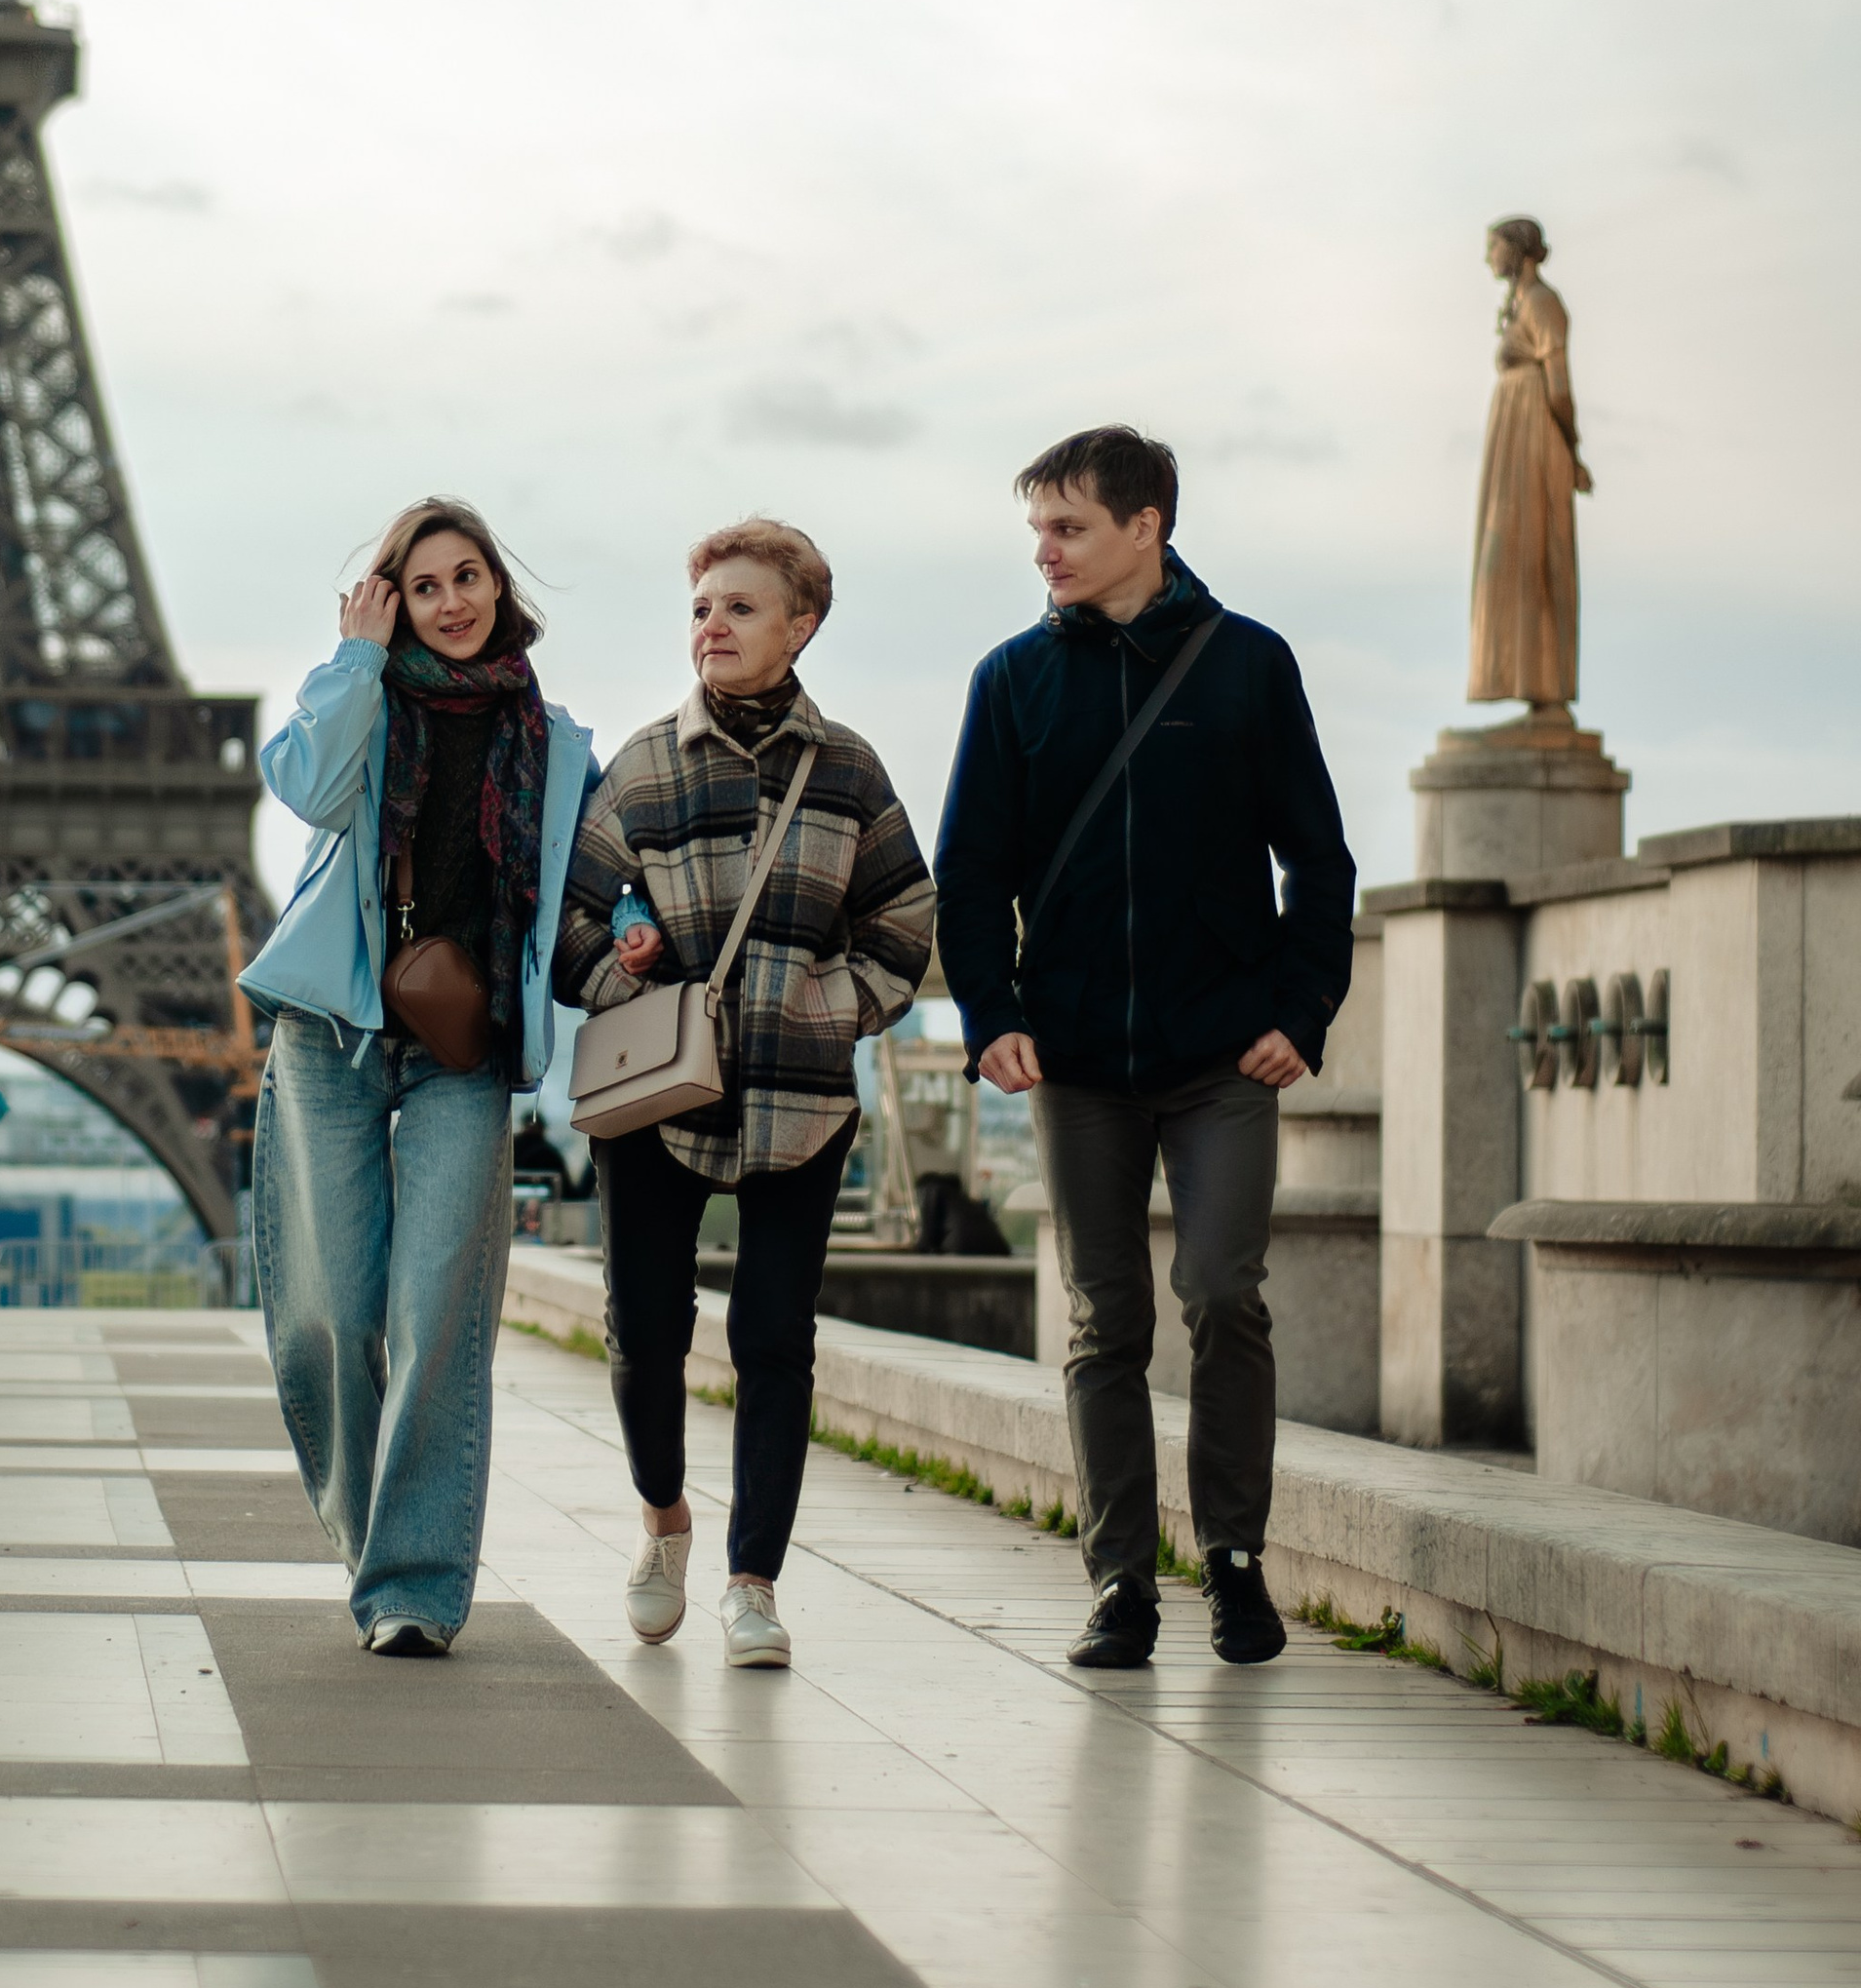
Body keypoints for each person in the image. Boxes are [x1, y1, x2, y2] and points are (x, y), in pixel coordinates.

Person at [932, 427, 1355, 1673]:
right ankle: (1121, 1580)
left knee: (1223, 1296)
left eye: (1067, 527)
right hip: (1074, 1062)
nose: (1045, 553)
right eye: (1037, 532)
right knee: (1103, 1321)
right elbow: (972, 875)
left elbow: (1317, 859)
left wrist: (1303, 1011)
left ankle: (1233, 1562)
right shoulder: (1011, 680)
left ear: (1145, 525)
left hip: (1225, 1052)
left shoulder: (1247, 667)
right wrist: (992, 1014)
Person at [556, 521, 934, 1672]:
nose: (710, 629)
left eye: (739, 608)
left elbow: (905, 925)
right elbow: (567, 929)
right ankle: (664, 1519)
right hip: (659, 1096)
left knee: (776, 1340)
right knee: (645, 1331)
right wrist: (614, 964)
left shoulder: (853, 772)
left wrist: (831, 1008)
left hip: (801, 1097)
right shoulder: (639, 768)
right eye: (701, 609)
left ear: (800, 624)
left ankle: (752, 1581)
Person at [238, 498, 595, 1656]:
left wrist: (629, 926)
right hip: (334, 1031)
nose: (451, 603)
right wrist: (352, 657)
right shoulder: (359, 704)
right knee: (332, 1315)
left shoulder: (556, 740)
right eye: (425, 585)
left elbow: (594, 876)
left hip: (464, 1048)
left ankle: (411, 1587)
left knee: (440, 1312)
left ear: (500, 585)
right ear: (393, 598)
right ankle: (375, 1532)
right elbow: (301, 786)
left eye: (468, 577)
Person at [1468, 215, 1593, 721]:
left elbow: (1560, 387)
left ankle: (1548, 686)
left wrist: (1573, 448)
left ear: (1516, 251)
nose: (1487, 258)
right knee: (1510, 556)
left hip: (1536, 439)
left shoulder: (1544, 304)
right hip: (1515, 435)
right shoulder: (1522, 305)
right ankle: (1522, 679)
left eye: (1493, 247)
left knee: (1535, 554)